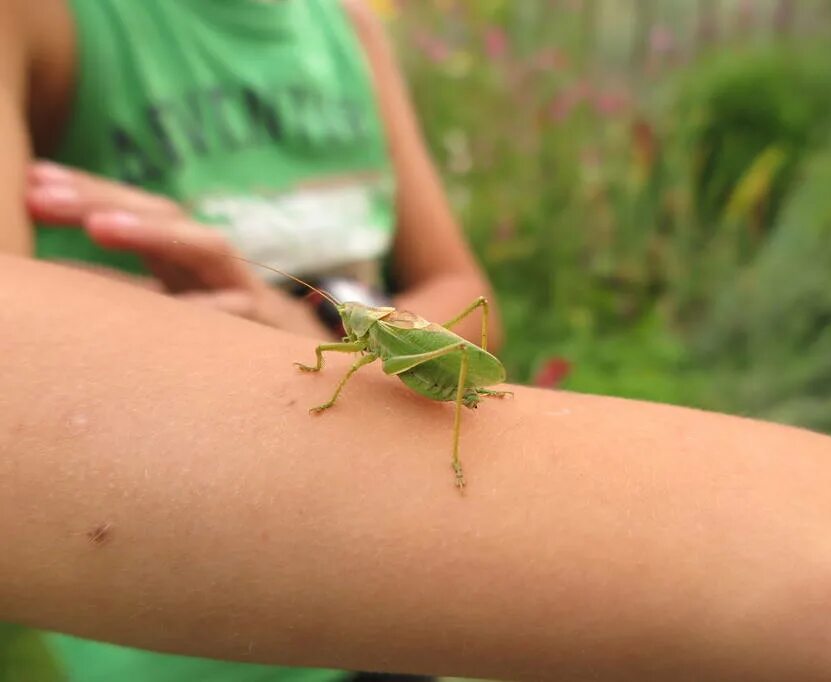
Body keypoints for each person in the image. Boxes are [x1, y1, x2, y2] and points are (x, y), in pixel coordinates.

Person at [2, 253, 831, 681]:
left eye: (337, 319)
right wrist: (315, 372)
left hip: (446, 372)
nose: (336, 330)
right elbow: (331, 354)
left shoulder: (385, 335)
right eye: (339, 321)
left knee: (416, 378)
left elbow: (390, 340)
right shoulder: (350, 335)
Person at [1, 0, 499, 679]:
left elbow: (471, 302)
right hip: (189, 630)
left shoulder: (350, 27)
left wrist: (315, 323)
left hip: (392, 583)